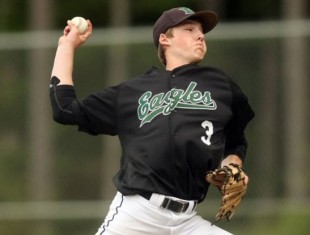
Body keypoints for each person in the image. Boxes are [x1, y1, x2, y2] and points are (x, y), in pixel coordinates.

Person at [50, 7, 254, 235]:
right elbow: (64, 109)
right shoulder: (133, 92)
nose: (200, 35)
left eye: (201, 31)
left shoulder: (221, 86)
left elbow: (235, 140)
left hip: (187, 221)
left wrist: (232, 165)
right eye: (189, 29)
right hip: (137, 215)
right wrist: (66, 46)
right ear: (164, 40)